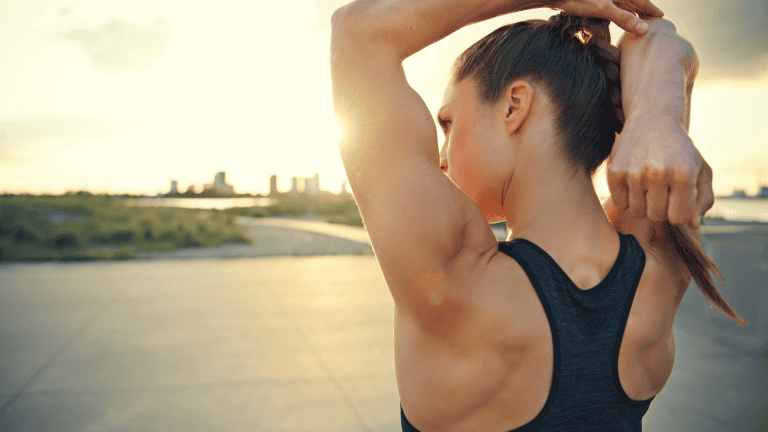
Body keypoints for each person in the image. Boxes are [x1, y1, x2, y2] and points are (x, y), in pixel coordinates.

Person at [330, 0, 747, 430]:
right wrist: (658, 113)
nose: (441, 156)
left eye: (449, 123)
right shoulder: (659, 268)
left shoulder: (456, 278)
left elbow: (358, 31)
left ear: (514, 106)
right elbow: (659, 36)